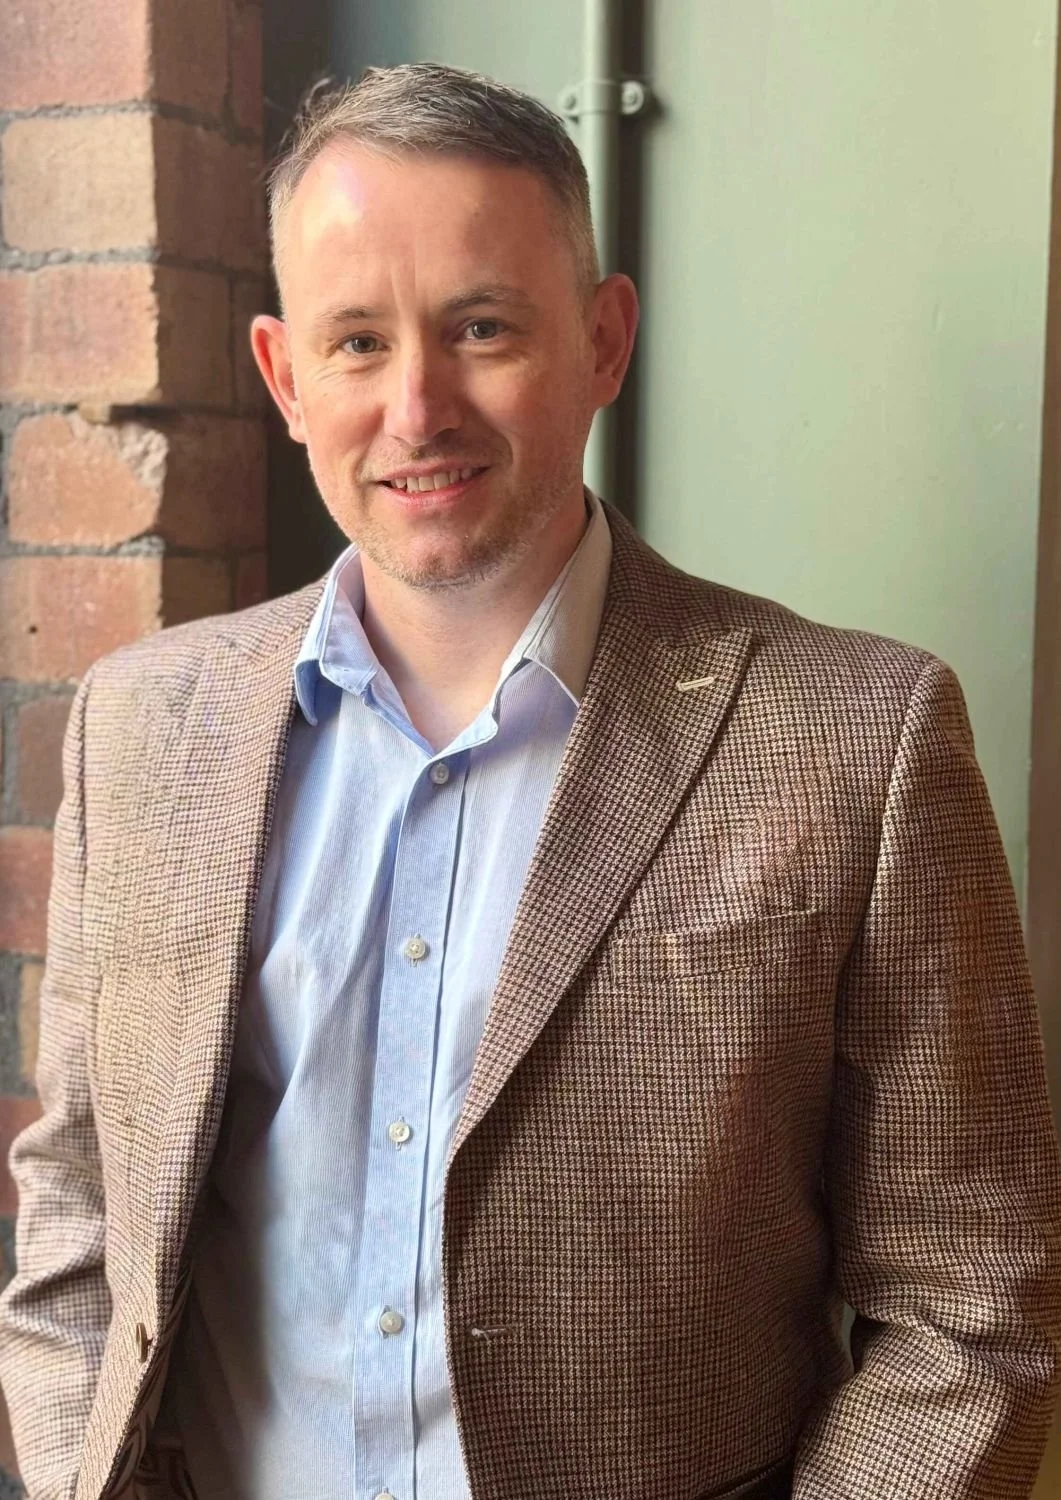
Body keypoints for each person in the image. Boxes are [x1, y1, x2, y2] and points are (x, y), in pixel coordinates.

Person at [1, 60, 1059, 1500]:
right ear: (284, 375)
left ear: (604, 338)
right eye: (358, 342)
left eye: (482, 326)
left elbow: (972, 1310)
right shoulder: (137, 730)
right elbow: (77, 1212)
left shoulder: (863, 739)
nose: (418, 405)